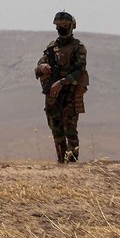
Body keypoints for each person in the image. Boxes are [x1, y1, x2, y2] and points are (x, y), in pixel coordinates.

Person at [35, 12, 88, 164]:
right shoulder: (52, 48)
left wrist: (63, 82)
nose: (61, 29)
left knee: (70, 129)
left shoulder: (78, 47)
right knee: (56, 128)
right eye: (59, 26)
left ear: (72, 26)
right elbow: (39, 66)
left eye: (64, 26)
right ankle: (61, 162)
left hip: (69, 91)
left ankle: (71, 163)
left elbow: (79, 70)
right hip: (53, 94)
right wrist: (42, 67)